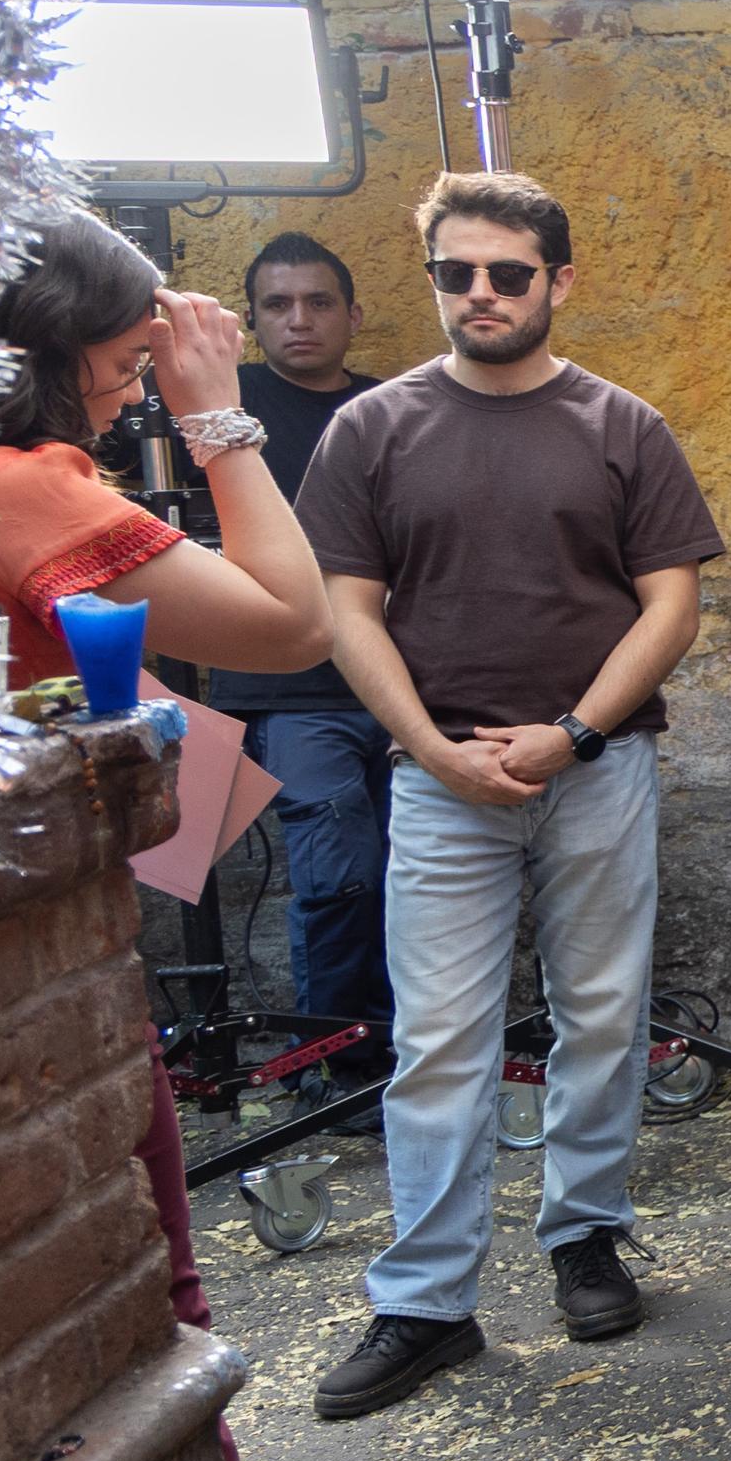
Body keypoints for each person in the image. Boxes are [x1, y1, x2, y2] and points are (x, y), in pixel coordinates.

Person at [0, 211, 487, 1461]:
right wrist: (215, 408)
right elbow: (285, 619)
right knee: (154, 1302)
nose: (126, 401)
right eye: (119, 366)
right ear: (53, 353)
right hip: (28, 968)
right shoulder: (24, 488)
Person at [296, 172, 725, 1419]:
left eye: (507, 273)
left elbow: (671, 604)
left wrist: (574, 733)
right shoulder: (371, 429)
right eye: (454, 273)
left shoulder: (621, 426)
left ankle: (584, 1235)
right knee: (438, 1043)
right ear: (430, 279)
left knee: (601, 1015)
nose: (479, 294)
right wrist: (432, 749)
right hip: (439, 784)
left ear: (558, 281)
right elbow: (346, 610)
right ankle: (426, 1301)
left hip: (595, 767)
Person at [206, 233, 396, 1028]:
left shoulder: (396, 405)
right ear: (251, 321)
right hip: (289, 692)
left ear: (352, 314)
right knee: (339, 869)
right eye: (278, 305)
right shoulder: (223, 408)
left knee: (416, 875)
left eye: (318, 302)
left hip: (398, 679)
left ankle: (408, 1057)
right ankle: (338, 1062)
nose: (300, 320)